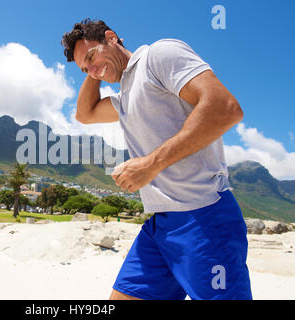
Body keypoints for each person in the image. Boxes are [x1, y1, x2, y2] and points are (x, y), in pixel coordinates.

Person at [61, 19, 252, 300]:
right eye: (83, 68)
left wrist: (151, 164)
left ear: (112, 37)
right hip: (160, 224)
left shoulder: (157, 56)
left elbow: (225, 108)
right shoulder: (125, 96)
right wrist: (95, 67)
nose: (91, 70)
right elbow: (85, 114)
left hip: (205, 217)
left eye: (91, 56)